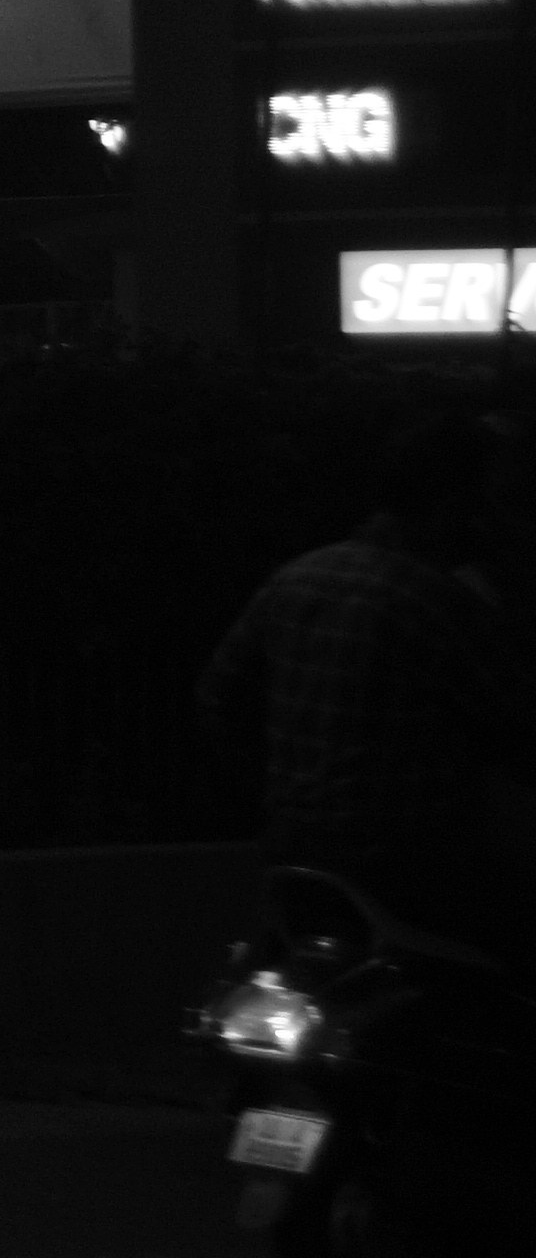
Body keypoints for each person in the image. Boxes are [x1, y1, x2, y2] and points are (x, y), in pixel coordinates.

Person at [202, 406, 536, 952]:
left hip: (292, 849)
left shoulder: (297, 578)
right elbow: (518, 725)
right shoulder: (440, 604)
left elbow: (218, 700)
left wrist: (281, 786)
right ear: (454, 509)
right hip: (410, 863)